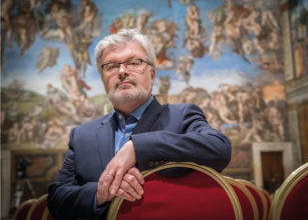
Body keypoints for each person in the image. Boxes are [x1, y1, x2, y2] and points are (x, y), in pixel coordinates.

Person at [47, 28, 231, 220]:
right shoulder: (81, 136)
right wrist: (99, 194)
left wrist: (137, 147)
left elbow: (220, 148)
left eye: (134, 63)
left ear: (152, 75)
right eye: (111, 66)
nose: (122, 71)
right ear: (103, 80)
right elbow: (57, 198)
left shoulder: (182, 116)